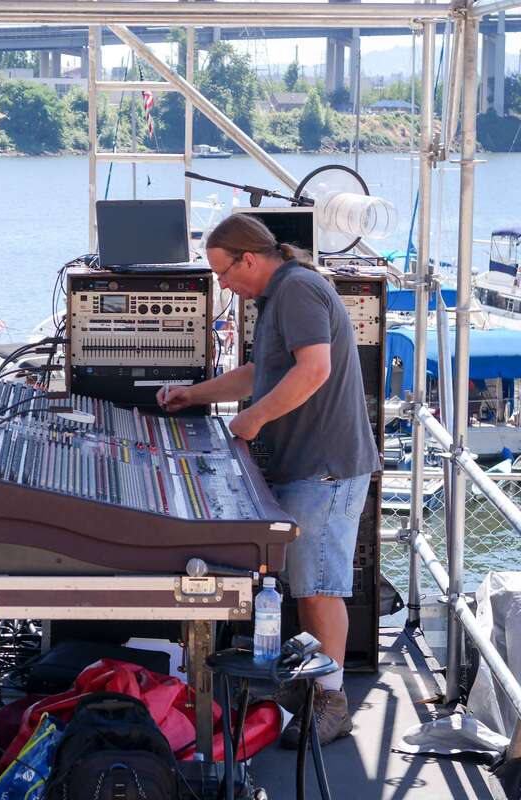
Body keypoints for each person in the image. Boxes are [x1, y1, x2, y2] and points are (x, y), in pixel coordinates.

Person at [156, 214, 380, 747]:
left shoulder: (299, 290)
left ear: (248, 259)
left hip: (324, 468)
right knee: (303, 585)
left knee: (318, 588)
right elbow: (263, 374)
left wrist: (251, 421)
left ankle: (331, 703)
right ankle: (306, 688)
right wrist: (196, 395)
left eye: (223, 273)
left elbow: (313, 370)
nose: (223, 285)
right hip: (307, 465)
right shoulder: (281, 295)